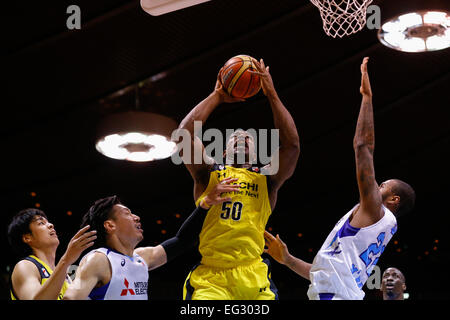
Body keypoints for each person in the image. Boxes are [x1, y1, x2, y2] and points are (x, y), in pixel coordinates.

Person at [263, 57, 415, 300]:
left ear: (394, 199)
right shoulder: (367, 231)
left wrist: (367, 98)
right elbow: (321, 273)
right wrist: (288, 260)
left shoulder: (376, 211)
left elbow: (362, 146)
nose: (378, 185)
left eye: (384, 185)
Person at [177, 58, 300, 300]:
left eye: (248, 139)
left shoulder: (267, 179)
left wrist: (272, 95)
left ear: (256, 155)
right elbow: (184, 135)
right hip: (212, 277)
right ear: (223, 152)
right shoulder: (208, 173)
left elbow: (292, 145)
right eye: (235, 138)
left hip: (253, 273)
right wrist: (217, 96)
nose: (242, 138)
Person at [63, 178, 239, 300]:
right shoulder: (99, 259)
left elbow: (182, 241)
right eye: (127, 213)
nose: (136, 217)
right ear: (110, 226)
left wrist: (205, 205)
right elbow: (70, 298)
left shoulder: (141, 257)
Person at [7, 208, 97, 300]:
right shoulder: (25, 266)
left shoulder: (67, 275)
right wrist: (66, 260)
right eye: (41, 223)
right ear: (27, 238)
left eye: (48, 222)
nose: (51, 225)